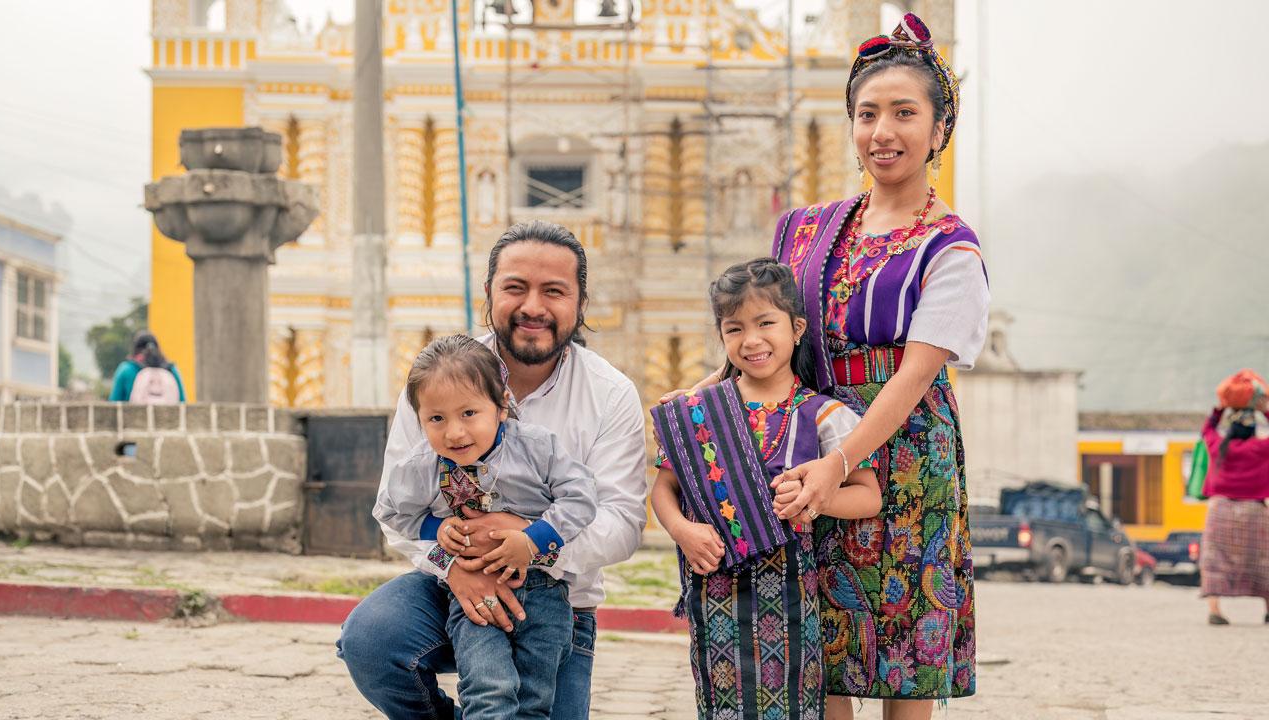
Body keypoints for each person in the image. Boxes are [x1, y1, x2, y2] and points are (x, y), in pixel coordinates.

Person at [663, 13, 985, 720]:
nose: (883, 132)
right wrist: (712, 396)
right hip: (798, 446)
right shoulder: (802, 228)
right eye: (867, 114)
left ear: (938, 129)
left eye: (905, 113)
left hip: (901, 462)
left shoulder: (951, 248)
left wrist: (840, 465)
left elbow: (915, 375)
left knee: (903, 659)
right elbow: (768, 332)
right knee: (819, 648)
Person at [337, 220, 647, 720]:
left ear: (580, 303)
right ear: (489, 293)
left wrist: (528, 540)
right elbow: (399, 507)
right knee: (372, 639)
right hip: (449, 590)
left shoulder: (610, 394)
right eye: (515, 288)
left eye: (554, 291)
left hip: (557, 601)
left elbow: (622, 523)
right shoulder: (435, 382)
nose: (533, 307)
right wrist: (454, 564)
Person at [651, 259, 880, 720]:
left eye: (765, 323)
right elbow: (663, 488)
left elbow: (869, 495)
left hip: (794, 592)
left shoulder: (823, 414)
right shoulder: (699, 411)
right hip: (714, 587)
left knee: (794, 702)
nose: (751, 340)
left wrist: (817, 498)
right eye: (734, 329)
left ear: (796, 328)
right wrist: (682, 531)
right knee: (720, 703)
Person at [375, 334, 597, 719]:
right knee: (488, 693)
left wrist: (532, 540)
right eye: (436, 419)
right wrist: (437, 529)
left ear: (501, 405)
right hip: (472, 600)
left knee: (533, 701)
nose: (454, 433)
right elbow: (391, 512)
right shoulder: (422, 466)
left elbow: (581, 498)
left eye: (469, 414)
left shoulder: (537, 448)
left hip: (544, 595)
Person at [1199, 369, 1269, 625]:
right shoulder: (1261, 448)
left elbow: (1206, 430)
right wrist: (1264, 410)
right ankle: (1268, 608)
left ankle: (1215, 610)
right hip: (1254, 511)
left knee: (1215, 560)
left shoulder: (1218, 446)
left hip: (1220, 510)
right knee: (1262, 559)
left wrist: (1219, 410)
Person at [108, 330, 185, 403]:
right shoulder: (171, 369)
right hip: (169, 416)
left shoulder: (126, 369)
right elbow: (182, 401)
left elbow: (114, 402)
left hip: (134, 416)